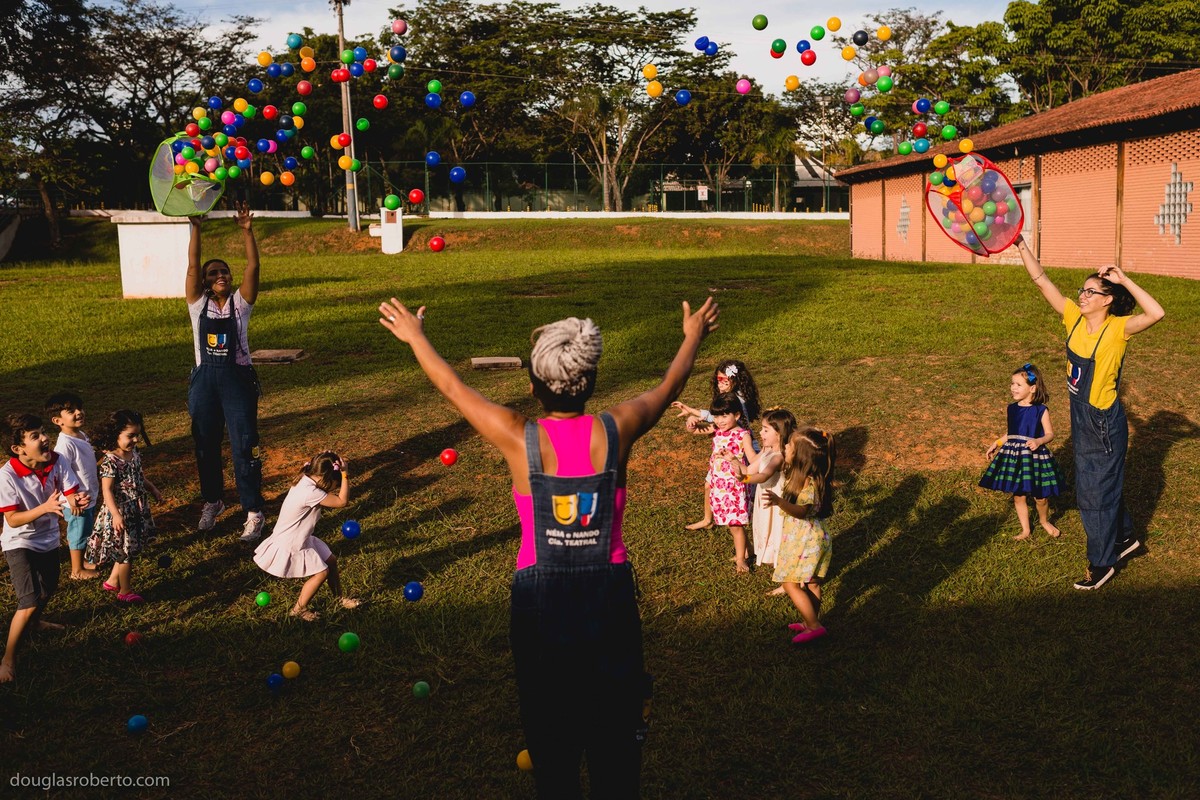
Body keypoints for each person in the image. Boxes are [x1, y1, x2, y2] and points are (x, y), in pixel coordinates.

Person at [378, 295, 720, 799]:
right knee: (616, 750)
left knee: (553, 747)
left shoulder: (519, 437)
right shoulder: (617, 427)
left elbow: (453, 388)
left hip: (541, 609)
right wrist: (693, 334)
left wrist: (417, 337)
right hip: (610, 603)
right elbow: (669, 388)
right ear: (593, 382)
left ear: (533, 387)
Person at [1014, 235, 1165, 589]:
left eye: (1090, 292)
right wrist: (1021, 245)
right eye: (1081, 290)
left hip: (1103, 423)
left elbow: (1156, 313)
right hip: (1081, 419)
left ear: (1108, 300)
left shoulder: (1118, 329)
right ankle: (1126, 539)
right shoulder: (1074, 319)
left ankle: (1101, 564)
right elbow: (1042, 281)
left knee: (1093, 494)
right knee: (1097, 486)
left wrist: (1123, 278)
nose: (1082, 295)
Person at [185, 202, 266, 541]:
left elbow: (253, 266)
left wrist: (247, 231)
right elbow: (191, 264)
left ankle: (253, 510)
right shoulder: (196, 304)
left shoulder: (240, 304)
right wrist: (197, 228)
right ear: (203, 281)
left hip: (237, 381)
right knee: (205, 444)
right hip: (204, 383)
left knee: (244, 445)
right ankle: (213, 502)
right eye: (212, 273)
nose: (220, 276)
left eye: (224, 273)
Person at [1, 413, 89, 683]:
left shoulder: (56, 460)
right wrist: (44, 508)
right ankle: (7, 659)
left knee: (49, 586)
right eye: (35, 436)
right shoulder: (7, 475)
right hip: (20, 542)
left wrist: (77, 499)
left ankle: (36, 623)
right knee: (28, 600)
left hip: (48, 538)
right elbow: (12, 519)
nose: (44, 438)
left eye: (42, 432)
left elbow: (70, 489)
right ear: (18, 449)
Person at [252, 450, 359, 621]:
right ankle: (298, 610)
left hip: (299, 536)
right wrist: (345, 474)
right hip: (292, 542)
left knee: (331, 561)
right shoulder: (310, 493)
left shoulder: (306, 480)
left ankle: (339, 599)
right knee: (321, 573)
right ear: (328, 480)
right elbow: (342, 501)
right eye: (335, 485)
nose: (335, 489)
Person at [672, 359, 761, 530]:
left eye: (724, 380)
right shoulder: (728, 397)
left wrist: (693, 412)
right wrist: (694, 419)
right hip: (728, 447)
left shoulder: (737, 399)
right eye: (718, 379)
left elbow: (717, 419)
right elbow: (717, 423)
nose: (720, 383)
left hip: (742, 448)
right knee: (710, 484)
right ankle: (708, 519)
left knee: (752, 491)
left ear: (735, 380)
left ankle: (744, 525)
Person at [766, 427, 835, 644]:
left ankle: (814, 626)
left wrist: (780, 502)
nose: (785, 446)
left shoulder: (809, 486)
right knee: (813, 582)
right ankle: (810, 621)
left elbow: (802, 511)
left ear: (801, 457)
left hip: (804, 541)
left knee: (789, 583)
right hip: (815, 539)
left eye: (790, 446)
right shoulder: (810, 477)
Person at [979, 363, 1062, 541]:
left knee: (1041, 497)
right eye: (1012, 383)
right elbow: (1012, 432)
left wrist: (1039, 441)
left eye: (1018, 385)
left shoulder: (1040, 410)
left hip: (1035, 457)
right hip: (1014, 457)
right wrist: (998, 442)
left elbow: (1050, 434)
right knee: (1019, 495)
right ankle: (1025, 530)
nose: (1013, 388)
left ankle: (1044, 521)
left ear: (1032, 388)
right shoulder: (1012, 409)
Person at [87, 410, 161, 604]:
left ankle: (112, 581)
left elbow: (138, 476)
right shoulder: (110, 462)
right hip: (120, 512)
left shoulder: (134, 453)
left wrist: (152, 488)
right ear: (115, 435)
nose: (136, 439)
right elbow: (107, 491)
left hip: (136, 508)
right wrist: (116, 514)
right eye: (130, 436)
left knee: (126, 548)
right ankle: (125, 591)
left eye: (138, 434)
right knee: (126, 553)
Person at [687, 392, 755, 572]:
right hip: (719, 486)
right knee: (732, 523)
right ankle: (749, 551)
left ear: (737, 415)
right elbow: (695, 431)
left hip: (735, 487)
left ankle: (741, 559)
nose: (719, 420)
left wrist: (736, 461)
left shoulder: (743, 436)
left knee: (735, 524)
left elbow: (753, 460)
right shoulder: (716, 430)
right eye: (716, 416)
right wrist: (691, 423)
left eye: (725, 416)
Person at [728, 408, 795, 586]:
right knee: (769, 533)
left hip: (776, 503)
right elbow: (749, 470)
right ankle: (784, 579)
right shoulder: (766, 451)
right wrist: (733, 460)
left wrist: (746, 479)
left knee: (778, 535)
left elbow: (763, 475)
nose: (760, 432)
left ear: (779, 433)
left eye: (766, 430)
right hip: (765, 501)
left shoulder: (779, 456)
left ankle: (788, 583)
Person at [45, 391, 100, 579]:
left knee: (85, 529)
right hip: (76, 500)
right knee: (78, 533)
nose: (79, 412)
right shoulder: (64, 445)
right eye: (70, 411)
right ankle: (77, 570)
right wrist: (70, 496)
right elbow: (60, 472)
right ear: (57, 420)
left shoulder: (81, 435)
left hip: (86, 496)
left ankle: (82, 561)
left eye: (79, 408)